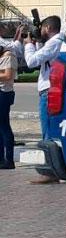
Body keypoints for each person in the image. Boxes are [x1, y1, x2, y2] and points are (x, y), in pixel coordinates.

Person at [24, 15, 63, 184]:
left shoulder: (54, 43)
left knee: (47, 131)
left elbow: (32, 61)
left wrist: (29, 45)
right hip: (52, 89)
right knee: (51, 130)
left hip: (48, 90)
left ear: (47, 28)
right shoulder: (56, 42)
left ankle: (49, 171)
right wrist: (39, 42)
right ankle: (54, 168)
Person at [0, 40, 16, 169]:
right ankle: (1, 158)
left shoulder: (8, 55)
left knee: (4, 126)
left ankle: (9, 159)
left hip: (4, 93)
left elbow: (8, 75)